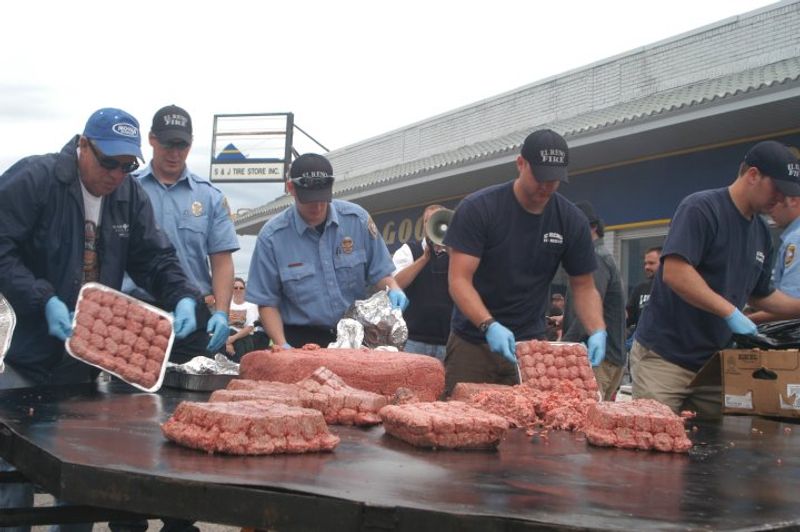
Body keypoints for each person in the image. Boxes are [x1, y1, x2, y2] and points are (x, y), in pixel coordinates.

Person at [0, 108, 201, 532]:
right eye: (108, 161)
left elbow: (156, 258)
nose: (115, 174)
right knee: (11, 482)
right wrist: (44, 298)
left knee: (78, 480)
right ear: (83, 146)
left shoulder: (128, 195)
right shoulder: (35, 180)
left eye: (127, 166)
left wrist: (183, 296)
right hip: (22, 357)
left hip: (83, 363)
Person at [632, 140, 800, 417]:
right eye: (778, 189)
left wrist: (797, 307)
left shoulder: (760, 233)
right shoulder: (701, 208)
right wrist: (730, 312)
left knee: (712, 450)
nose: (781, 199)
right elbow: (676, 272)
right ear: (753, 175)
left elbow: (762, 294)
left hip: (715, 366)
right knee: (652, 444)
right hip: (665, 359)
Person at [443, 128, 607, 396]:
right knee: (461, 422)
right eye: (540, 177)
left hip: (530, 348)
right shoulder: (480, 208)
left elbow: (584, 286)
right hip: (472, 342)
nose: (546, 186)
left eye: (554, 180)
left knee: (526, 430)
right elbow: (459, 280)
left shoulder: (571, 220)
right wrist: (489, 325)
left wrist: (597, 329)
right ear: (521, 164)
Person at [247, 153, 409, 347]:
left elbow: (380, 274)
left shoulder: (357, 220)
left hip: (356, 337)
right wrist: (283, 346)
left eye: (322, 198)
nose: (316, 206)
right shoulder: (272, 238)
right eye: (309, 199)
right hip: (301, 340)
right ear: (291, 188)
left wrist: (394, 288)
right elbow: (266, 302)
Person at [123, 105, 239, 362]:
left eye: (182, 146)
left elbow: (222, 262)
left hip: (193, 315)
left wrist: (221, 313)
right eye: (168, 145)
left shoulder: (209, 197)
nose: (175, 154)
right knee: (128, 398)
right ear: (152, 139)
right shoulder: (125, 190)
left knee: (199, 396)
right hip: (136, 314)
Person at [562, 201, 626, 401]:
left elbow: (590, 310)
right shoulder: (600, 257)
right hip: (607, 358)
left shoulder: (595, 258)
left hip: (598, 361)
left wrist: (561, 347)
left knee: (586, 424)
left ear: (592, 227)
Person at [391, 204, 453, 361]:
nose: (432, 225)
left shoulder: (456, 253)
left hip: (448, 342)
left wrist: (452, 251)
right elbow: (396, 283)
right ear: (423, 225)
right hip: (413, 340)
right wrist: (424, 259)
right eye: (428, 221)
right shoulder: (409, 250)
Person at [750, 194, 800, 323]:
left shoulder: (797, 238)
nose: (769, 209)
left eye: (776, 200)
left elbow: (792, 308)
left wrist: (744, 319)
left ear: (793, 200)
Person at [226, 277, 268, 359]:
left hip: (244, 337)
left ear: (245, 289)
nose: (238, 290)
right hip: (227, 336)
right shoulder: (227, 303)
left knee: (239, 342)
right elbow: (223, 323)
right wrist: (228, 343)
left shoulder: (251, 305)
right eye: (235, 287)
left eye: (241, 288)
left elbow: (250, 327)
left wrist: (232, 339)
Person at [626, 246, 662, 335]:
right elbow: (628, 317)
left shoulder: (673, 288)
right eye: (645, 263)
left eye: (651, 263)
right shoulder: (640, 289)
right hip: (643, 343)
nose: (646, 267)